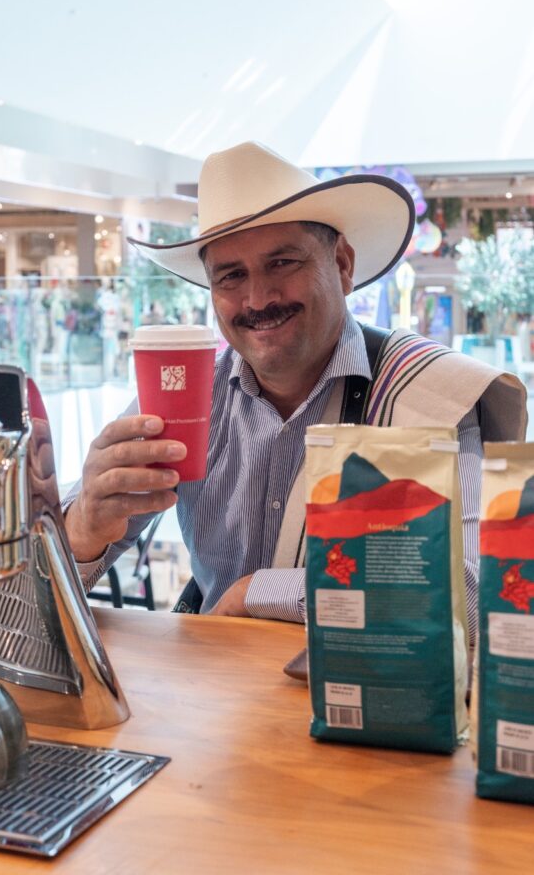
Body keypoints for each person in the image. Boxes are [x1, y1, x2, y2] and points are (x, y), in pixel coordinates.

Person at [64, 142, 526, 644]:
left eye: (282, 263)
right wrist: (83, 531)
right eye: (231, 276)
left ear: (343, 264)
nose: (258, 299)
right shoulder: (194, 396)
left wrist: (257, 592)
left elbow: (476, 596)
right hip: (216, 707)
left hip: (379, 706)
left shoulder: (430, 392)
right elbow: (50, 575)